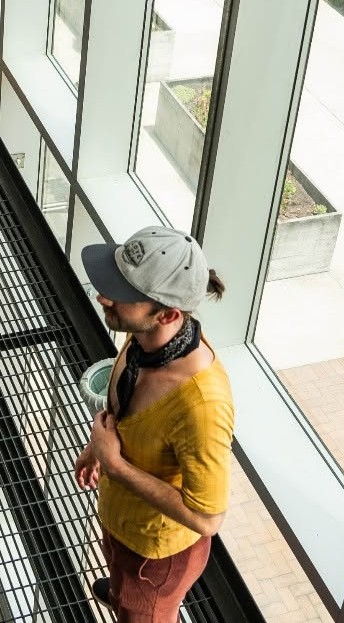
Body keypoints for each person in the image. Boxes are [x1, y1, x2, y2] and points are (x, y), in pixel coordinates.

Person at [75, 227, 234, 622]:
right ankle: (120, 590)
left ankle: (138, 602)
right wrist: (99, 447)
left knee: (143, 611)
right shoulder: (144, 338)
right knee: (122, 581)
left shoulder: (202, 406)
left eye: (121, 295)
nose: (103, 297)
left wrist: (116, 466)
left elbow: (207, 519)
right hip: (124, 526)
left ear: (167, 313)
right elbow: (126, 405)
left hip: (153, 560)